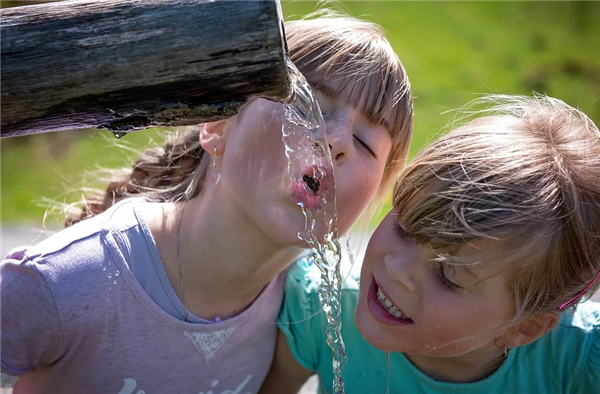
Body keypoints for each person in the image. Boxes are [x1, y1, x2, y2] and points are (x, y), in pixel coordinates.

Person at [0, 12, 413, 394]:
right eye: (310, 108)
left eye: (364, 143)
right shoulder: (67, 280)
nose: (336, 141)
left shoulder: (304, 311)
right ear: (217, 126)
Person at [261, 94, 600, 393]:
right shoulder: (320, 310)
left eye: (447, 276)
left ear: (523, 328)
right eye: (406, 229)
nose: (396, 267)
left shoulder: (577, 365)